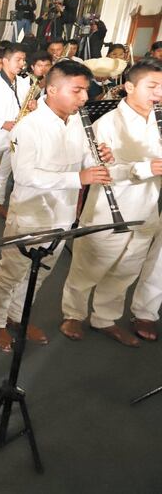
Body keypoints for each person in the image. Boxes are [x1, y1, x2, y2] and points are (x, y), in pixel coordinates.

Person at [0, 61, 113, 352]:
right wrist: (78, 178)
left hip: (63, 213)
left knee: (41, 271)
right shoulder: (28, 126)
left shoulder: (78, 121)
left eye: (86, 91)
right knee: (12, 271)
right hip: (31, 213)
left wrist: (101, 157)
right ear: (52, 89)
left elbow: (85, 158)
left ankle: (18, 316)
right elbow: (25, 175)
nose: (84, 98)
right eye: (77, 91)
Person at [61, 59, 162, 345]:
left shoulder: (159, 120)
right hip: (108, 209)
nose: (159, 93)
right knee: (89, 266)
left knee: (126, 270)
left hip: (148, 209)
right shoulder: (106, 123)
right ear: (129, 87)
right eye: (152, 86)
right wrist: (145, 168)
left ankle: (105, 318)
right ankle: (73, 314)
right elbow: (100, 171)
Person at [0, 44, 33, 207]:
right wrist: (2, 123)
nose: (22, 64)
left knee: (3, 174)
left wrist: (33, 107)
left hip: (14, 137)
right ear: (5, 61)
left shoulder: (23, 83)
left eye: (23, 60)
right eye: (18, 60)